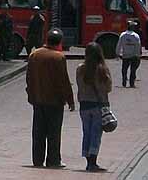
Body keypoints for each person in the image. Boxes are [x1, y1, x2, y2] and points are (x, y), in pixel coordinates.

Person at [26, 29, 75, 169]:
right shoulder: (59, 57)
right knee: (54, 132)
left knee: (38, 132)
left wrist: (30, 94)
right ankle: (53, 160)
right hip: (54, 101)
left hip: (38, 99)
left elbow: (29, 78)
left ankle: (37, 160)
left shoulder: (34, 54)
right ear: (59, 42)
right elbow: (63, 81)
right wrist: (70, 99)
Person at [76, 42, 112, 172]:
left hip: (84, 104)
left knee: (86, 132)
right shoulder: (102, 69)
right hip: (98, 105)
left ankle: (87, 160)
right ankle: (93, 161)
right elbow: (108, 88)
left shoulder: (80, 68)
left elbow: (79, 85)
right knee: (96, 133)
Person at [117, 21, 142, 88]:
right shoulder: (136, 36)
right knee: (133, 70)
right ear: (132, 27)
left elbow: (119, 45)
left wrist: (117, 53)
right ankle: (131, 83)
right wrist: (138, 54)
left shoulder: (123, 35)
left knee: (124, 69)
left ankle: (124, 81)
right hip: (133, 55)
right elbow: (138, 46)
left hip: (125, 55)